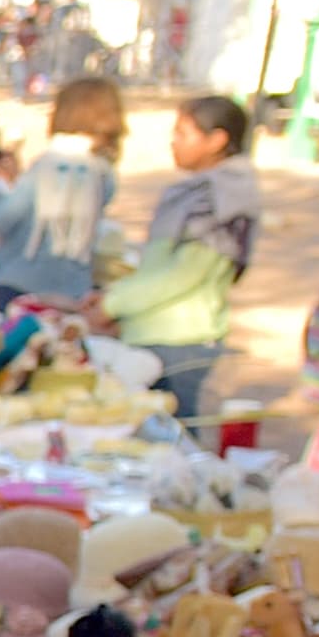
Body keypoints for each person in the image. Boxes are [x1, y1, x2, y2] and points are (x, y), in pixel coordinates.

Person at [105, 95, 260, 424]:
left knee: (175, 433)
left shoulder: (221, 198)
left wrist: (111, 305)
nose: (173, 142)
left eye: (183, 134)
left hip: (180, 339)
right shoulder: (198, 191)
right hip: (153, 329)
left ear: (216, 140)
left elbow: (183, 276)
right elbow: (159, 265)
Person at [0, 78, 123, 312]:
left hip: (21, 284)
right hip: (74, 288)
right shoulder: (104, 173)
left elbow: (3, 219)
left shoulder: (46, 166)